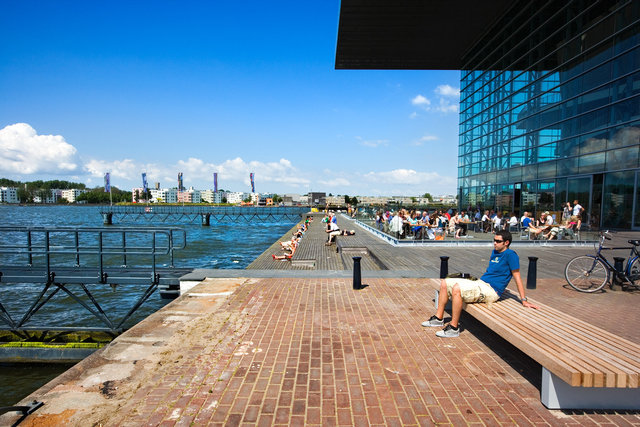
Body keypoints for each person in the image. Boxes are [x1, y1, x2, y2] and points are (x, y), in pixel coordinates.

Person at [422, 230, 539, 337]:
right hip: (481, 283)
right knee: (445, 283)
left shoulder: (511, 255)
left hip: (492, 290)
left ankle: (453, 328)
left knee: (457, 289)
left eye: (498, 241)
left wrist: (523, 300)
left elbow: (517, 277)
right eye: (494, 240)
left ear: (506, 243)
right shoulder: (495, 252)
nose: (495, 243)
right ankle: (438, 318)